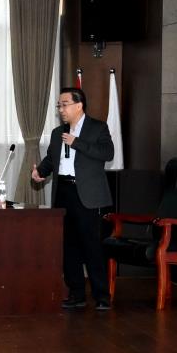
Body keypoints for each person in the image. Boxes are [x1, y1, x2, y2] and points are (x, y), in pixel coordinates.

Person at [29, 86, 117, 310]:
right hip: (64, 192)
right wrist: (40, 172)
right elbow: (52, 159)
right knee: (68, 246)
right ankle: (76, 294)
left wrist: (77, 142)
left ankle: (102, 296)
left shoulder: (98, 127)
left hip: (87, 194)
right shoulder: (58, 132)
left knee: (91, 246)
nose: (61, 109)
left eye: (64, 104)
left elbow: (107, 153)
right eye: (59, 105)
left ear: (79, 105)